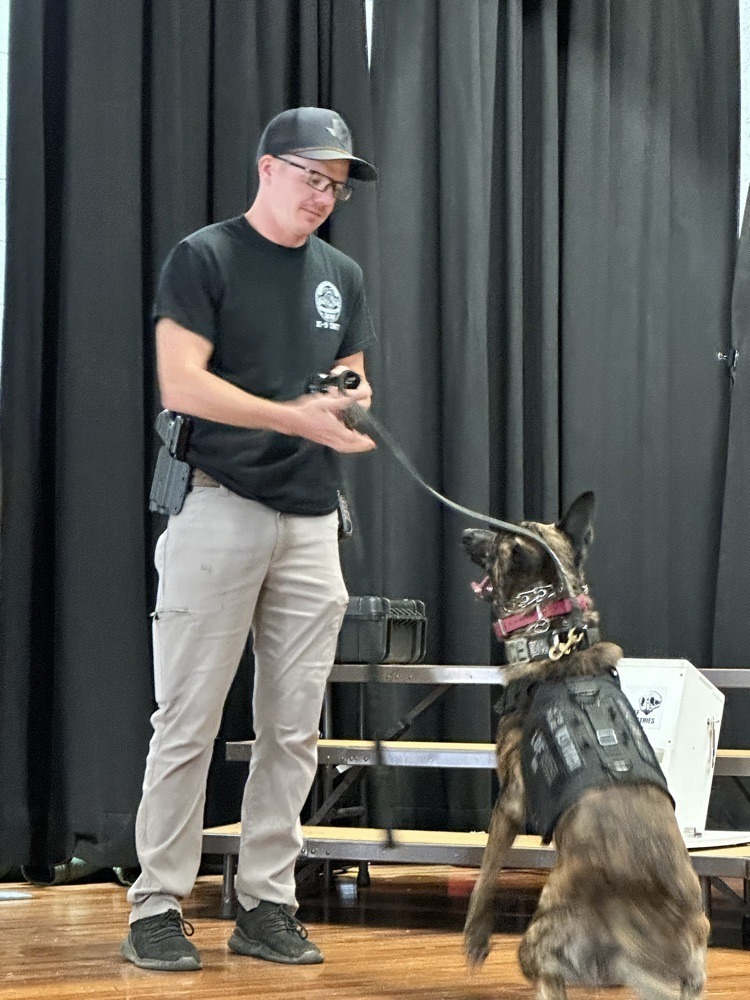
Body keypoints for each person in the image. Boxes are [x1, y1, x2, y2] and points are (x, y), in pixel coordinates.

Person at [121, 107, 378, 972]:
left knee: (293, 730)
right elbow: (181, 384)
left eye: (336, 186)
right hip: (218, 503)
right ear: (267, 168)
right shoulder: (205, 257)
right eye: (312, 176)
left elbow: (355, 372)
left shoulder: (340, 271)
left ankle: (267, 901)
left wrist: (345, 397)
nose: (324, 196)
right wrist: (289, 415)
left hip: (310, 522)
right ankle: (157, 904)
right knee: (187, 720)